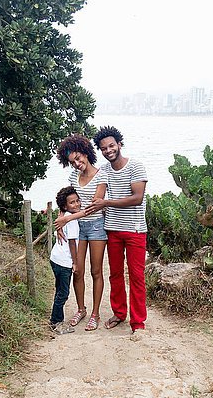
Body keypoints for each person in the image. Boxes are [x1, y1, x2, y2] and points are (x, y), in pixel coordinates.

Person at [85, 126, 148, 340]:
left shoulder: (136, 166)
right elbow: (99, 195)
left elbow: (136, 197)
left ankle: (138, 322)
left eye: (111, 145)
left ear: (120, 144)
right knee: (115, 274)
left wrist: (107, 202)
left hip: (135, 230)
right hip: (112, 229)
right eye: (104, 148)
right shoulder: (104, 170)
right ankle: (119, 313)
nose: (108, 150)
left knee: (137, 276)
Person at [54, 134, 108, 331]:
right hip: (77, 229)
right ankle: (81, 309)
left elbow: (94, 207)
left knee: (95, 271)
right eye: (72, 162)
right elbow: (65, 198)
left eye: (78, 158)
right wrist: (61, 216)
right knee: (77, 270)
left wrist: (67, 218)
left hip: (95, 225)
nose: (77, 164)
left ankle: (95, 313)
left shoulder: (101, 175)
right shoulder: (73, 177)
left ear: (86, 153)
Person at [48, 186, 81, 335]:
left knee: (59, 291)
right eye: (72, 203)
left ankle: (56, 319)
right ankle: (56, 322)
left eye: (77, 201)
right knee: (63, 293)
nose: (77, 204)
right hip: (64, 262)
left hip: (55, 258)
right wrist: (75, 262)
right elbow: (72, 243)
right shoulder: (71, 221)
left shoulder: (65, 216)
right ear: (65, 206)